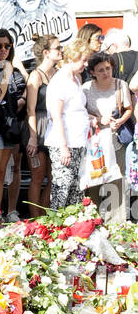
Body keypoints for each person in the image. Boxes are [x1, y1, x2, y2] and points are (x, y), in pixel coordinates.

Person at [83, 51, 134, 220]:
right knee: (95, 178)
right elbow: (82, 113)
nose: (106, 73)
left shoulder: (120, 85)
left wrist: (120, 121)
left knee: (116, 178)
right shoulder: (86, 89)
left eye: (108, 68)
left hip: (115, 138)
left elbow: (128, 108)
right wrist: (98, 119)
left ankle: (117, 222)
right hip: (95, 140)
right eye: (101, 70)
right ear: (92, 72)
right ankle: (95, 218)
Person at [45, 41, 92, 210]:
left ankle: (73, 226)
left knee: (76, 188)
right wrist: (64, 146)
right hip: (63, 142)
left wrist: (91, 118)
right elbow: (56, 115)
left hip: (78, 140)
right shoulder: (59, 81)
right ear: (72, 57)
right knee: (62, 187)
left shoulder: (76, 79)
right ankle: (56, 226)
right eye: (83, 60)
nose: (86, 64)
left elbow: (77, 109)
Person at [0, 27, 27, 218]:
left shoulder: (14, 70)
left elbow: (24, 89)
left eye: (7, 46)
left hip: (9, 125)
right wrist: (5, 72)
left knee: (2, 173)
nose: (3, 50)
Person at [25, 35, 61, 216]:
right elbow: (30, 109)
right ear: (46, 53)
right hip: (38, 126)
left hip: (54, 126)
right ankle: (35, 219)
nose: (61, 51)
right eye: (58, 48)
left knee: (54, 177)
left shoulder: (58, 73)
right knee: (37, 177)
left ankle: (45, 215)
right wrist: (32, 138)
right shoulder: (35, 75)